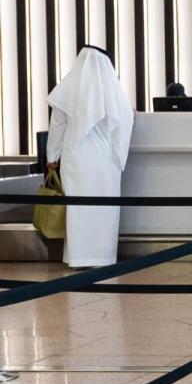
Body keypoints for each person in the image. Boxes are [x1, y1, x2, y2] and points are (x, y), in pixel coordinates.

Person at [46, 46, 134, 268]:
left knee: (78, 208)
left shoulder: (68, 89)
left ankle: (78, 257)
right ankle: (103, 257)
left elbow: (57, 126)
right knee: (104, 208)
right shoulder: (113, 91)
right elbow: (127, 120)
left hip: (76, 158)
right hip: (106, 160)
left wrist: (51, 156)